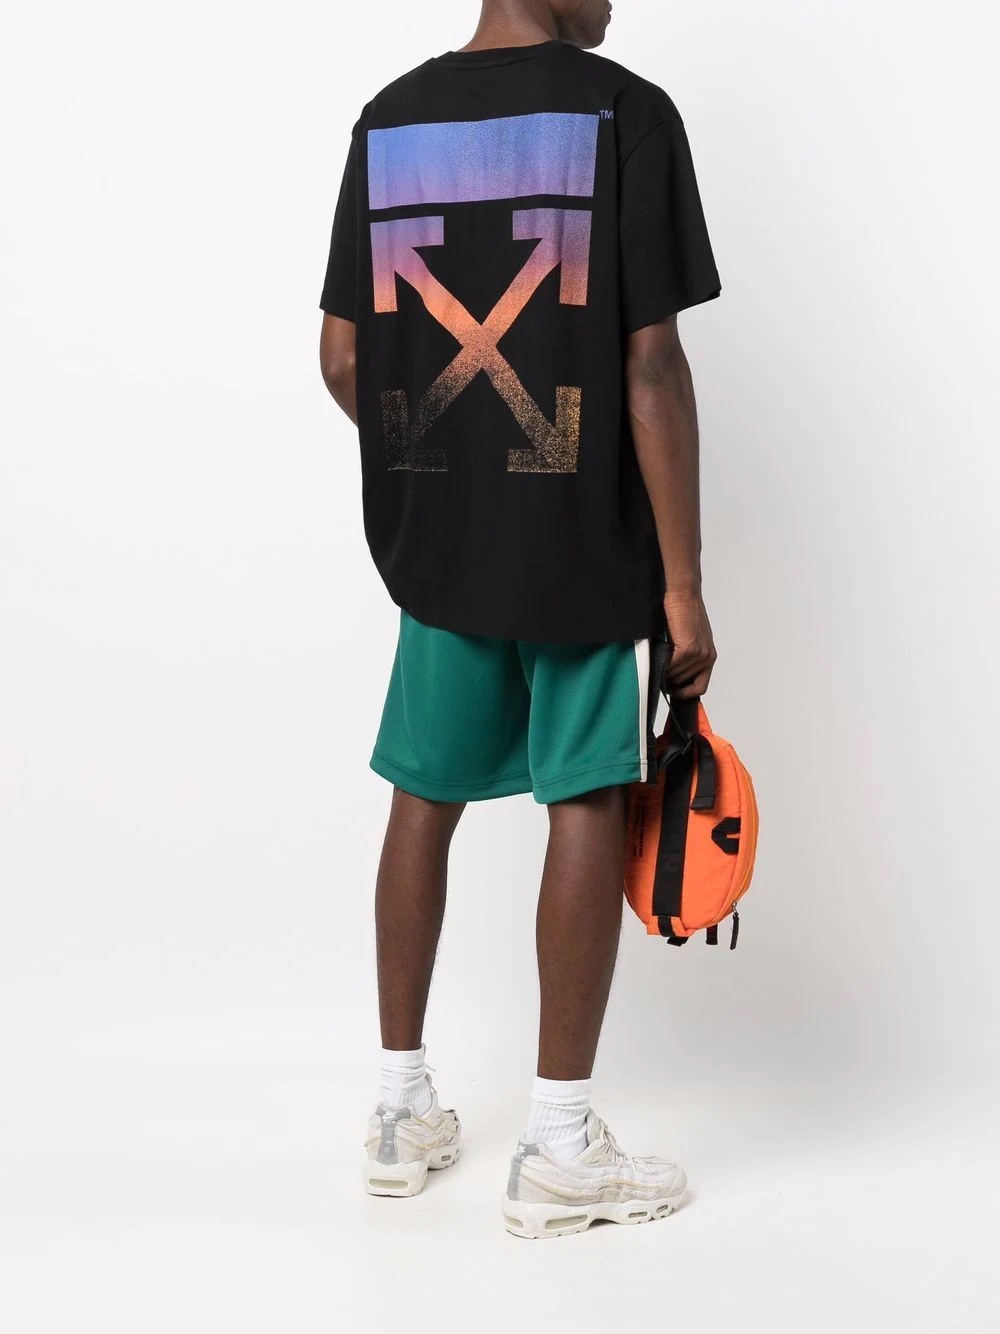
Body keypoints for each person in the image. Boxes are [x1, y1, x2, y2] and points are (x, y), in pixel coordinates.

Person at [318, 0, 720, 1240]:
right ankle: (556, 1145)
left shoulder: (390, 120)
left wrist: (450, 463)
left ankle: (399, 1112)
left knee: (421, 796)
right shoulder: (623, 112)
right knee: (586, 796)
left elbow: (342, 358)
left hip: (442, 540)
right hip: (581, 534)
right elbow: (648, 364)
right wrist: (683, 583)